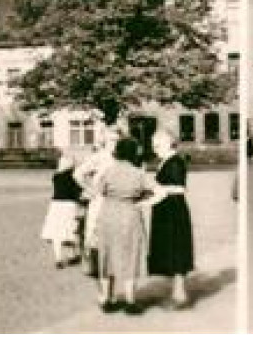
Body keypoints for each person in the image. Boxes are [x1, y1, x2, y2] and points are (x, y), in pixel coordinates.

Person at [92, 136, 158, 313]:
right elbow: (158, 192)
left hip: (109, 215)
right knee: (131, 256)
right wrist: (143, 201)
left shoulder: (108, 171)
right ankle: (130, 301)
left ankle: (107, 299)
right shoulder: (139, 173)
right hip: (130, 215)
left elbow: (97, 192)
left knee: (107, 256)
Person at [147, 130, 195, 309]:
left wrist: (155, 192)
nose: (154, 148)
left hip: (173, 211)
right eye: (154, 145)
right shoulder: (167, 161)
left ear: (168, 143)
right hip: (167, 210)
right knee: (172, 250)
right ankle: (177, 293)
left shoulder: (175, 162)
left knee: (176, 251)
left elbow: (179, 189)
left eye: (157, 145)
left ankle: (180, 296)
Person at [75, 126, 121, 279]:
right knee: (94, 232)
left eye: (117, 139)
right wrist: (90, 189)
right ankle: (93, 264)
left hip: (116, 199)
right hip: (100, 200)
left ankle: (111, 265)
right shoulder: (99, 157)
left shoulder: (122, 157)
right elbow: (78, 173)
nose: (115, 142)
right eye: (112, 140)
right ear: (104, 141)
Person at [41, 154, 85, 267]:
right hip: (69, 205)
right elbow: (78, 193)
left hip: (55, 206)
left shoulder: (56, 176)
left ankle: (58, 258)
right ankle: (73, 255)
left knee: (57, 233)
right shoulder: (74, 177)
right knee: (71, 231)